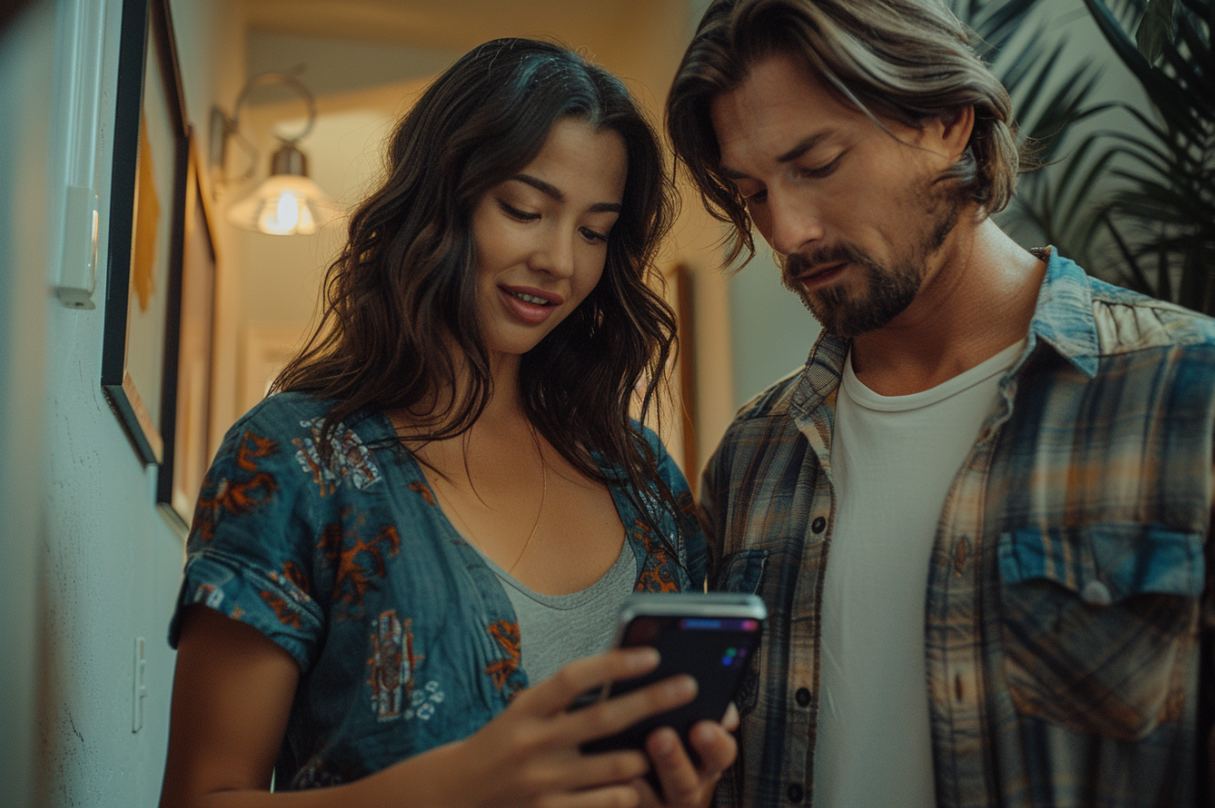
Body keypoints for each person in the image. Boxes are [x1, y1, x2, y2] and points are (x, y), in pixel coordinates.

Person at [159, 38, 736, 808]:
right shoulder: (295, 461)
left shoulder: (643, 477)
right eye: (525, 211)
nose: (559, 261)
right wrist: (458, 790)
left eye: (594, 231)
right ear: (439, 201)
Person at [665, 1, 1215, 806]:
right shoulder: (753, 455)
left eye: (816, 165)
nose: (786, 230)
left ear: (946, 121)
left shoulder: (1186, 395)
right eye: (751, 194)